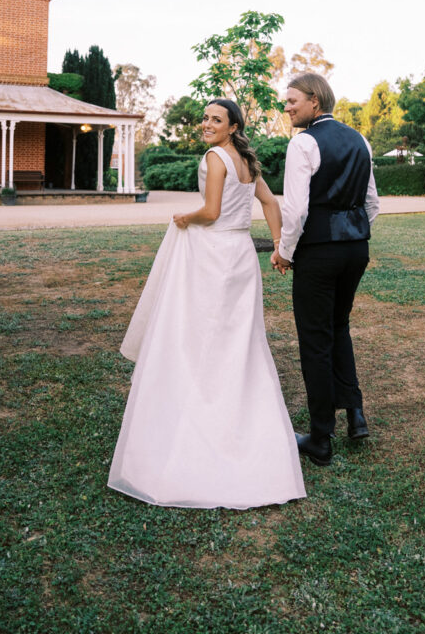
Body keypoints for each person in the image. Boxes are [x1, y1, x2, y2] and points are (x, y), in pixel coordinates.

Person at [108, 98, 305, 509]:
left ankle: (200, 419)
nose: (207, 125)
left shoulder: (216, 157)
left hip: (213, 255)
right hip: (241, 256)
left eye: (216, 120)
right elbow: (270, 204)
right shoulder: (247, 162)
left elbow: (211, 212)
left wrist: (184, 217)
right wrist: (279, 249)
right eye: (205, 118)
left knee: (201, 339)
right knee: (239, 344)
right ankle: (242, 424)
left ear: (233, 126)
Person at [270, 73, 380, 467]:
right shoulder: (360, 140)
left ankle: (320, 437)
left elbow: (296, 210)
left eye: (292, 101)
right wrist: (353, 237)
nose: (287, 107)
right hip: (356, 249)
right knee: (338, 327)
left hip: (318, 253)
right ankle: (355, 415)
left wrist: (284, 252)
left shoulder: (303, 143)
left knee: (315, 340)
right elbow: (372, 204)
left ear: (315, 101)